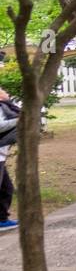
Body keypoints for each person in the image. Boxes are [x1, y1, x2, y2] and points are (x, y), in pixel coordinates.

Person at [0, 88, 20, 232]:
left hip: (1, 154)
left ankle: (2, 219)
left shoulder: (6, 107)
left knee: (6, 188)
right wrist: (19, 120)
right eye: (3, 91)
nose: (7, 92)